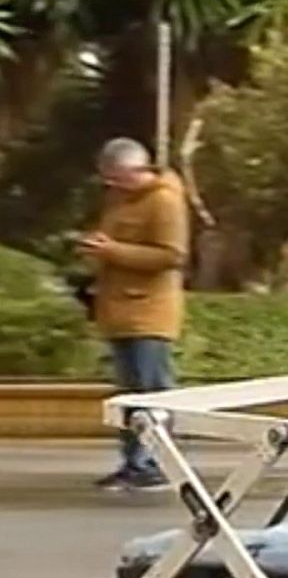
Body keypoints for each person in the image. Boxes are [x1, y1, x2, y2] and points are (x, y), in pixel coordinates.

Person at [79, 138, 190, 491]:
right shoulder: (119, 201)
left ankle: (157, 463)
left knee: (152, 390)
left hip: (149, 311)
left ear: (136, 169)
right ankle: (133, 462)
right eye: (108, 178)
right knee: (128, 394)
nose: (112, 184)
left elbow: (172, 255)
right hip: (119, 309)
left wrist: (113, 251)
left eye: (117, 176)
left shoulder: (164, 201)